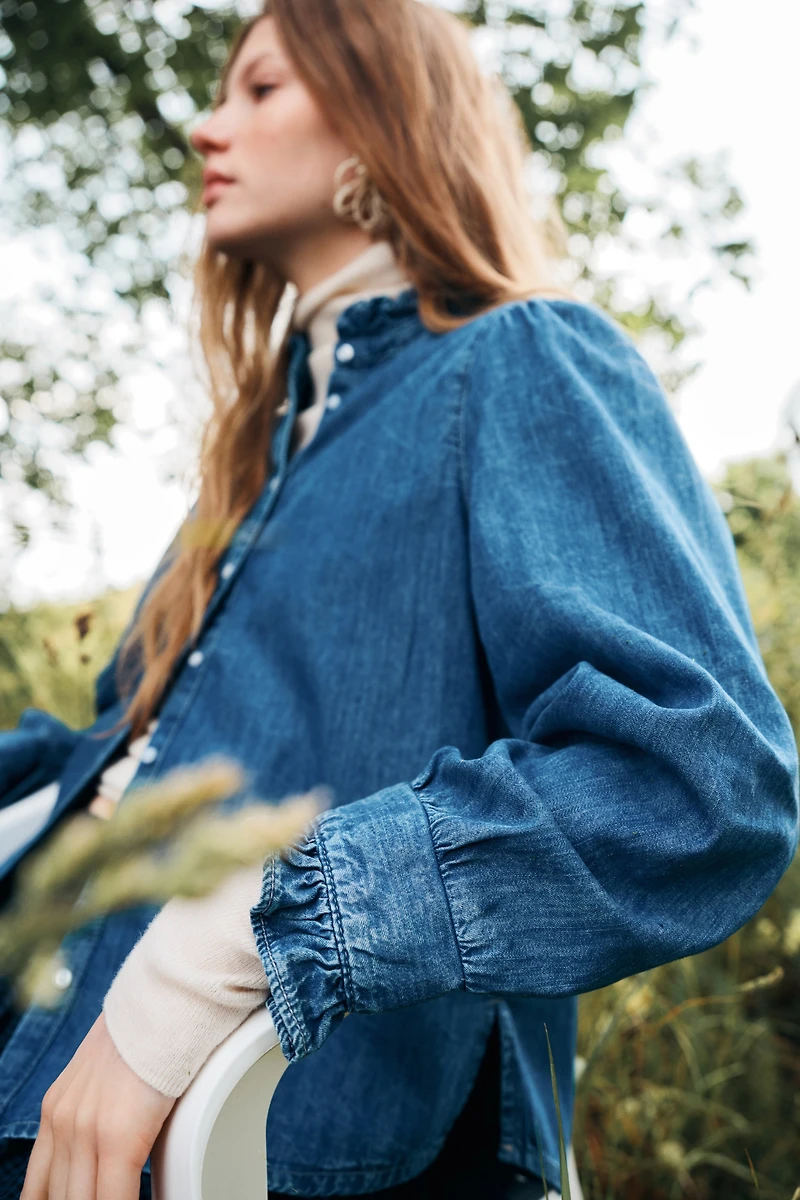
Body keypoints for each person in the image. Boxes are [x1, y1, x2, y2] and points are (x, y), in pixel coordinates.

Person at [1, 1, 798, 1197]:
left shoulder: (517, 359)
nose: (205, 128)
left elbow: (696, 784)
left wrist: (236, 943)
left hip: (285, 1128)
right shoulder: (235, 476)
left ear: (381, 116)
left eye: (260, 90)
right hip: (43, 1037)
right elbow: (122, 759)